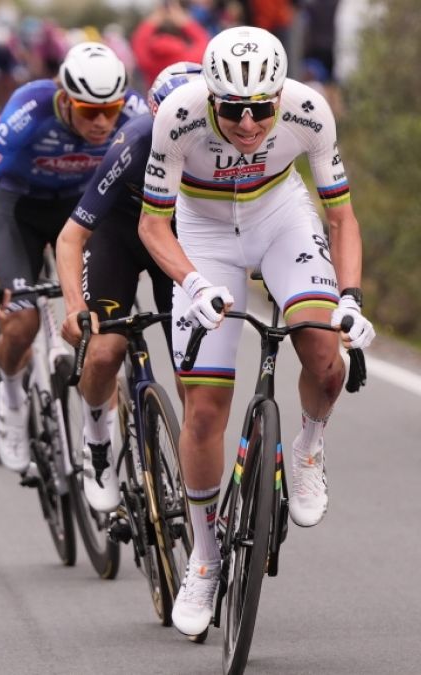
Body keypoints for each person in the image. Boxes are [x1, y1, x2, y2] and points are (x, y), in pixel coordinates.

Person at [138, 26, 375, 636]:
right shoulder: (177, 117)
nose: (248, 124)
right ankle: (205, 558)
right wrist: (193, 284)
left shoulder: (307, 110)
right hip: (203, 230)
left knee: (326, 357)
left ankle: (308, 446)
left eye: (260, 109)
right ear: (210, 96)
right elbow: (152, 227)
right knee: (205, 410)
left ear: (279, 96)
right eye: (234, 110)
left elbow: (341, 215)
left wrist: (349, 299)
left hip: (280, 216)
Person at [0, 42, 148, 472]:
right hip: (18, 209)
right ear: (64, 99)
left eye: (110, 110)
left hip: (79, 211)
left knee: (105, 323)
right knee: (20, 322)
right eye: (87, 111)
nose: (101, 122)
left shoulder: (136, 110)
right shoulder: (30, 109)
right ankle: (8, 394)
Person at [54, 62, 202, 513]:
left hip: (173, 245)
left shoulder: (224, 142)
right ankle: (97, 439)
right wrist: (75, 307)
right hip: (120, 236)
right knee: (104, 351)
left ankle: (198, 475)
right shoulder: (135, 141)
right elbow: (71, 236)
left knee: (193, 372)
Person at [131, 1, 211, 87]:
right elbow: (204, 41)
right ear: (180, 34)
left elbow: (138, 41)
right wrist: (185, 21)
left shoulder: (147, 61)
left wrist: (152, 21)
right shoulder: (189, 59)